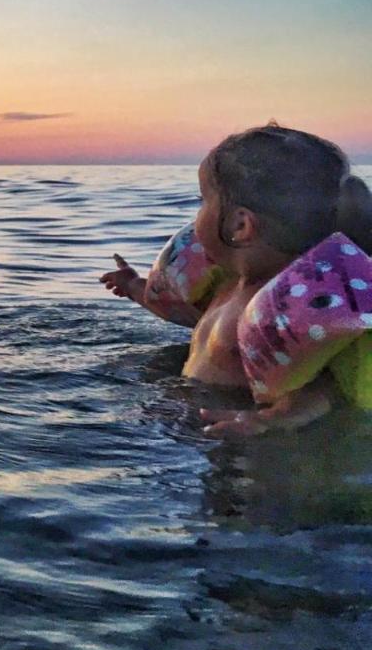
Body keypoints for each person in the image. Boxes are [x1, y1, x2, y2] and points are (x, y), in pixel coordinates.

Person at [100, 124, 372, 436]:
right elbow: (196, 320)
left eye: (203, 201)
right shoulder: (237, 289)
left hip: (227, 434)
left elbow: (323, 383)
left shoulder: (285, 309)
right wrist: (135, 286)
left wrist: (273, 418)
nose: (197, 215)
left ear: (240, 225)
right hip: (196, 413)